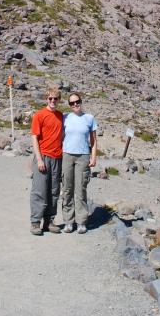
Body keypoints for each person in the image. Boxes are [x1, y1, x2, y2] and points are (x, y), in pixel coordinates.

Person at [29, 86, 64, 236]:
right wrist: (38, 159)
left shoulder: (61, 115)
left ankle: (49, 220)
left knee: (54, 191)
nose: (53, 101)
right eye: (50, 98)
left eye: (55, 98)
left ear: (59, 100)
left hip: (57, 157)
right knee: (39, 190)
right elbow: (34, 137)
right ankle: (35, 222)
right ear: (46, 99)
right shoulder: (39, 115)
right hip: (43, 156)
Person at [61, 93, 98, 234]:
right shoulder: (65, 117)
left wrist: (93, 157)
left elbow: (93, 141)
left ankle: (81, 221)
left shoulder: (89, 118)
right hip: (67, 155)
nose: (75, 104)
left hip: (83, 156)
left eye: (77, 101)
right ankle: (68, 221)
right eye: (72, 103)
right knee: (67, 189)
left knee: (80, 189)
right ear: (69, 105)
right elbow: (61, 137)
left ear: (81, 102)